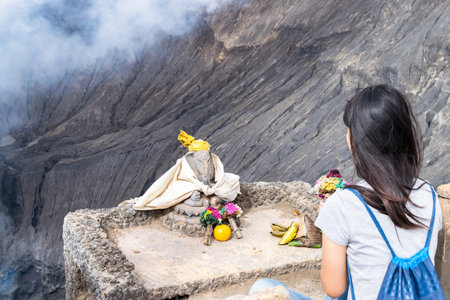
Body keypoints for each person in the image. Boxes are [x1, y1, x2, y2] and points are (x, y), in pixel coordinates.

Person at [249, 85, 443, 299]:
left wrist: (329, 223)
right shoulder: (429, 194)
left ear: (358, 141)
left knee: (262, 287)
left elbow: (334, 288)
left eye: (349, 129)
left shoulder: (343, 204)